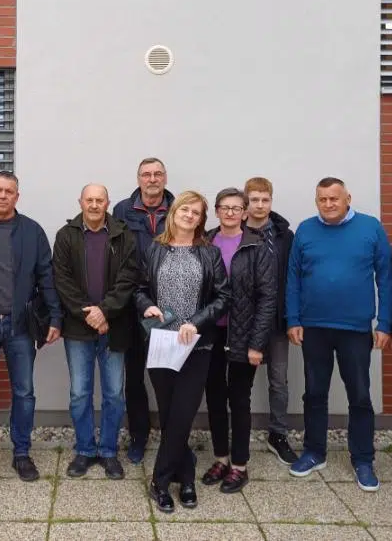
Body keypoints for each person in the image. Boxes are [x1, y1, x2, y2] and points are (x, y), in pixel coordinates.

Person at [286, 177, 392, 493]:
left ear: (348, 198)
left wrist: (385, 323)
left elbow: (386, 277)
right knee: (314, 393)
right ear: (316, 201)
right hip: (314, 327)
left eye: (334, 198)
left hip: (355, 329)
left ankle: (363, 459)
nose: (329, 204)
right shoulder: (305, 230)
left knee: (359, 395)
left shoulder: (370, 228)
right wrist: (293, 319)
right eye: (322, 199)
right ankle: (314, 452)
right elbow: (293, 278)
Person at [0, 171, 63, 484]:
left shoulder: (32, 231)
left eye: (9, 191)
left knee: (24, 392)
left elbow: (46, 277)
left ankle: (22, 453)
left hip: (20, 325)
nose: (3, 196)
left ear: (17, 196)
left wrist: (55, 317)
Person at [135, 190, 231, 514]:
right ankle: (186, 476)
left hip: (196, 345)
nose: (189, 215)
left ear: (201, 219)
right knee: (169, 414)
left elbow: (223, 297)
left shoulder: (209, 253)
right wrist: (147, 306)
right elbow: (139, 289)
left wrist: (197, 322)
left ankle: (160, 481)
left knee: (184, 413)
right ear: (173, 212)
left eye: (196, 212)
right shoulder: (155, 249)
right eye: (185, 210)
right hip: (162, 342)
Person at [53, 184, 140, 480]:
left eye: (99, 200)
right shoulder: (66, 236)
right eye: (88, 199)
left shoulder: (123, 235)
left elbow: (128, 279)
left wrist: (105, 311)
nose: (93, 205)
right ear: (80, 202)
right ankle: (85, 450)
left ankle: (108, 451)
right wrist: (90, 314)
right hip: (78, 329)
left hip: (115, 327)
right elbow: (62, 280)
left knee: (114, 394)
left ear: (107, 203)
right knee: (80, 393)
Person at [201, 188, 276, 493]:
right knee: (214, 397)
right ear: (216, 211)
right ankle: (221, 458)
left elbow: (268, 298)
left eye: (236, 208)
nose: (230, 213)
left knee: (239, 399)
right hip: (211, 332)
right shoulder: (204, 242)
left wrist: (257, 344)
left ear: (245, 213)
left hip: (244, 335)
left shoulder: (257, 246)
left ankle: (239, 465)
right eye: (225, 207)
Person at [112, 157, 175, 464]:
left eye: (157, 174)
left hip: (168, 306)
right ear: (138, 179)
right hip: (131, 304)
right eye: (146, 174)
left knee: (168, 375)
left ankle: (173, 438)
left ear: (165, 178)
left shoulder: (178, 208)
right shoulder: (122, 211)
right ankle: (139, 435)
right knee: (134, 376)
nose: (152, 179)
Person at [243, 176, 298, 465]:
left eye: (265, 200)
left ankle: (278, 434)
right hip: (244, 322)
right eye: (254, 200)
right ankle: (238, 435)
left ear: (271, 201)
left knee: (279, 380)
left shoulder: (284, 236)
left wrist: (292, 317)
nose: (260, 205)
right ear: (246, 202)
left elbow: (293, 278)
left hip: (276, 321)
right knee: (241, 382)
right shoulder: (235, 232)